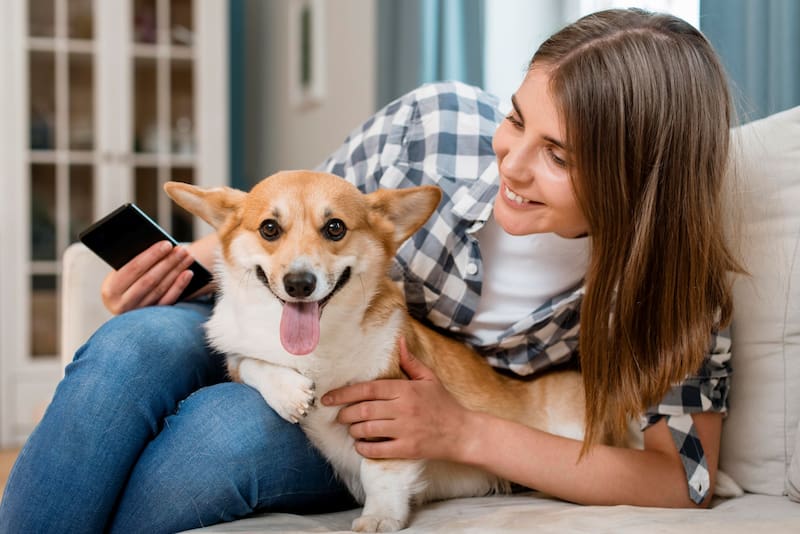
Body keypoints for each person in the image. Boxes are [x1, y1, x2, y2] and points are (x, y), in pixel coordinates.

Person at [0, 8, 743, 533]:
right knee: (127, 349)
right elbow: (298, 229)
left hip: (359, 405)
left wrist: (465, 432)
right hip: (266, 327)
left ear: (637, 180)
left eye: (559, 156)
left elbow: (686, 479)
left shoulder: (671, 292)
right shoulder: (434, 127)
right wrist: (165, 271)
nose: (510, 163)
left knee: (214, 441)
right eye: (517, 118)